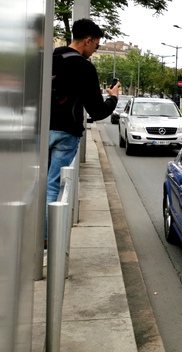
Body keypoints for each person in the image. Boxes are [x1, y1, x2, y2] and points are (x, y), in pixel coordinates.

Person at [46, 18, 120, 248]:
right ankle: (48, 239)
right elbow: (97, 112)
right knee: (53, 185)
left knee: (37, 182)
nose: (95, 50)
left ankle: (34, 230)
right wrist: (113, 98)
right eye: (96, 46)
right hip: (66, 133)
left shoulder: (51, 57)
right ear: (88, 41)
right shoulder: (85, 67)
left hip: (40, 130)